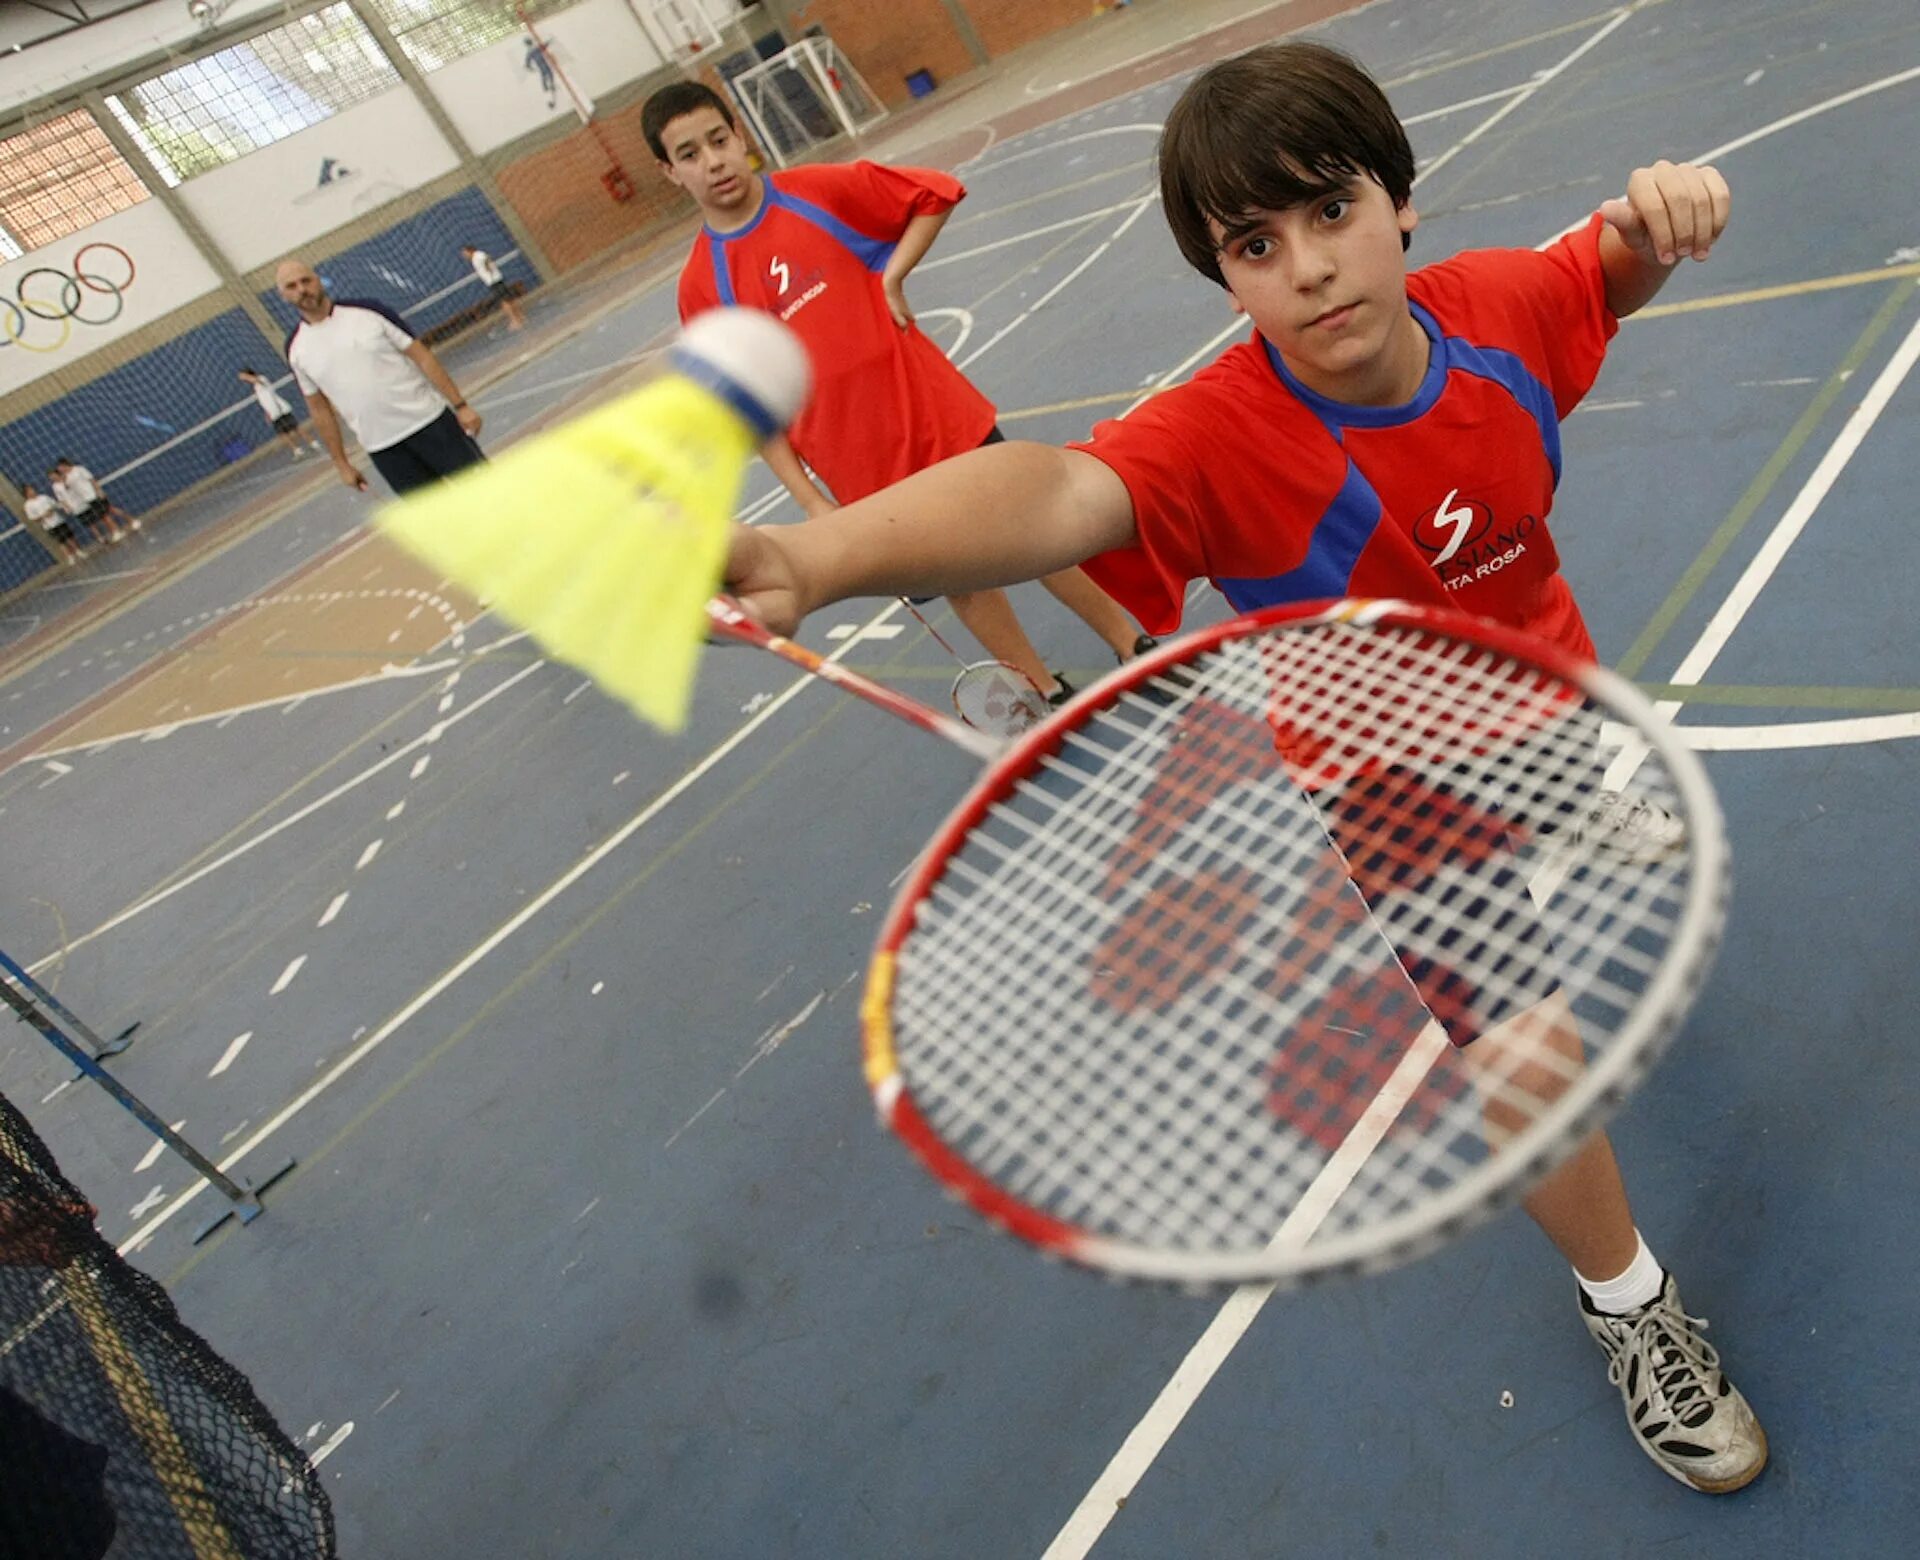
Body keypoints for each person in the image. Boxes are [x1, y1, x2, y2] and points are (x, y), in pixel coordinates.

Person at [724, 42, 1764, 1493]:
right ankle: (1631, 1306)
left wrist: (1663, 216)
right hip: (1390, 781)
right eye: (1253, 247)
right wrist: (806, 555)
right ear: (1226, 282)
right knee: (1526, 1050)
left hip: (1537, 693)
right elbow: (1058, 491)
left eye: (1330, 212)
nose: (1308, 270)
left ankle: (1579, 788)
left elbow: (1602, 274)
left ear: (1399, 203)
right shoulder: (1220, 436)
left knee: (1567, 752)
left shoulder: (1503, 313)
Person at [643, 80, 1150, 707]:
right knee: (962, 579)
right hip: (862, 467)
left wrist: (891, 275)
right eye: (689, 154)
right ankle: (1044, 692)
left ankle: (1130, 644)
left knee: (1037, 528)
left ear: (740, 134)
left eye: (719, 140)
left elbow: (933, 194)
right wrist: (810, 501)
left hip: (936, 414)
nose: (713, 160)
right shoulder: (702, 284)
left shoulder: (816, 192)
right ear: (669, 173)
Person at [275, 258, 485, 497]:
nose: (302, 290)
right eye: (291, 286)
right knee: (437, 520)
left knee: (485, 494)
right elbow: (319, 409)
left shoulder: (368, 311)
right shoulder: (296, 348)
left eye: (306, 281)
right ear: (283, 296)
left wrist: (461, 405)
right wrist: (341, 463)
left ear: (318, 280)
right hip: (384, 449)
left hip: (431, 423)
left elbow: (423, 357)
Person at [237, 367, 322, 460]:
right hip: (273, 414)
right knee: (283, 434)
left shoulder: (261, 378)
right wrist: (267, 413)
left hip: (281, 409)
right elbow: (264, 401)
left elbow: (257, 380)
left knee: (296, 428)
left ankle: (313, 443)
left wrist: (246, 376)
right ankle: (297, 450)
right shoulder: (255, 388)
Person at [49, 460, 126, 546]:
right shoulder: (66, 478)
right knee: (103, 516)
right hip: (87, 500)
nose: (60, 470)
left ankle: (119, 529)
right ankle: (116, 530)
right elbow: (67, 490)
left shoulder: (79, 469)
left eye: (60, 468)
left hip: (93, 495)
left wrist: (99, 490)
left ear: (65, 465)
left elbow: (91, 479)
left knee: (109, 512)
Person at [463, 245, 526, 332]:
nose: (465, 256)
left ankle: (515, 320)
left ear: (470, 250)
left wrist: (488, 269)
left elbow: (486, 259)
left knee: (505, 302)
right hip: (493, 281)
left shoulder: (478, 255)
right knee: (508, 299)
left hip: (494, 281)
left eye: (465, 253)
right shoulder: (475, 258)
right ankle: (520, 316)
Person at [21, 480, 84, 564]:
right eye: (30, 490)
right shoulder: (28, 505)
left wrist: (61, 508)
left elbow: (55, 504)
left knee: (69, 536)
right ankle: (70, 556)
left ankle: (78, 551)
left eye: (32, 489)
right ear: (26, 494)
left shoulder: (44, 497)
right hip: (49, 525)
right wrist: (44, 516)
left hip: (59, 520)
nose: (32, 491)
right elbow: (32, 518)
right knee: (61, 541)